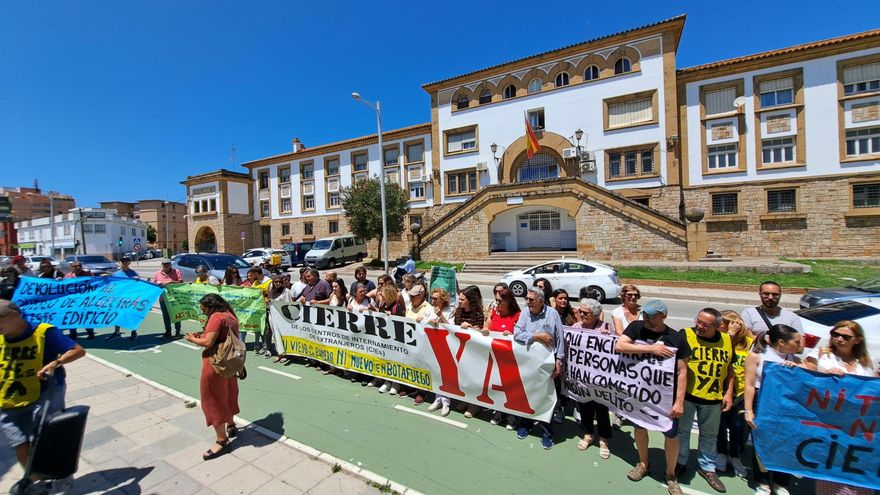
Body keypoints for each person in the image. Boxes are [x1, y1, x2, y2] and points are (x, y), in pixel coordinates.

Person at [0, 300, 86, 475]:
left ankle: (58, 475)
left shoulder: (44, 332)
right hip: (8, 399)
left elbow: (78, 350)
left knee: (45, 440)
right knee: (20, 445)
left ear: (14, 315)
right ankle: (33, 481)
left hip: (45, 394)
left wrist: (57, 362)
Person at [615, 299, 689, 495]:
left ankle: (671, 474)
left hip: (665, 398)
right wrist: (651, 349)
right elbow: (620, 346)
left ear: (663, 316)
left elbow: (683, 372)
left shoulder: (676, 338)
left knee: (671, 436)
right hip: (639, 395)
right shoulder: (636, 327)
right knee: (639, 429)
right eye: (645, 315)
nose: (646, 319)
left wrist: (679, 401)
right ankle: (643, 463)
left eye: (651, 316)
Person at [804, 320, 875, 495]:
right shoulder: (821, 354)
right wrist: (823, 376)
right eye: (835, 334)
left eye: (845, 336)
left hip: (856, 429)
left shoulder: (866, 363)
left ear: (857, 340)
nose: (839, 339)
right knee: (829, 469)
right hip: (828, 426)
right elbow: (803, 377)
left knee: (856, 472)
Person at [675, 308, 734, 493]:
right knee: (682, 432)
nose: (699, 326)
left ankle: (707, 467)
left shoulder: (726, 340)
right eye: (698, 321)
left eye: (705, 324)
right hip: (688, 395)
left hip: (713, 397)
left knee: (709, 435)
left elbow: (730, 370)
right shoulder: (686, 334)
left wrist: (728, 393)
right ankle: (680, 461)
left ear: (717, 326)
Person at [744, 324, 803, 495]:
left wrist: (797, 368)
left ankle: (780, 481)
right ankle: (762, 482)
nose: (800, 345)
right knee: (761, 442)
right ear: (782, 342)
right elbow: (749, 384)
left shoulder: (793, 357)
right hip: (761, 400)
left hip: (784, 405)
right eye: (796, 342)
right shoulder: (757, 356)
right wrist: (749, 410)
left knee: (784, 441)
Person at [183, 294, 241, 461]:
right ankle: (230, 424)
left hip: (215, 364)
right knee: (229, 393)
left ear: (211, 307)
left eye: (204, 310)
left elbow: (208, 342)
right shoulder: (231, 316)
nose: (204, 314)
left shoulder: (216, 317)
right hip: (230, 363)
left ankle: (222, 440)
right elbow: (224, 338)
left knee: (212, 399)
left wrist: (192, 338)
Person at [512, 288, 562, 450]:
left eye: (531, 300)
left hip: (547, 363)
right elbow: (517, 333)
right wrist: (536, 337)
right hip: (529, 362)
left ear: (541, 300)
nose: (527, 302)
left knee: (546, 398)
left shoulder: (552, 314)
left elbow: (560, 339)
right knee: (528, 394)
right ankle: (525, 424)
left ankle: (547, 433)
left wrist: (559, 362)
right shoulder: (526, 313)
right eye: (527, 299)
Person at [567, 298, 614, 459]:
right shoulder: (575, 327)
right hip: (581, 379)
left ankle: (604, 439)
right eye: (580, 311)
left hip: (600, 382)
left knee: (601, 410)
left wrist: (609, 337)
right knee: (584, 408)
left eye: (585, 312)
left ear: (595, 314)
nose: (581, 314)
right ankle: (588, 434)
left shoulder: (606, 328)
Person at [715, 311, 751, 478]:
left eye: (721, 325)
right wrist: (728, 336)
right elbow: (721, 355)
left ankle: (735, 456)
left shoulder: (750, 344)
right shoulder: (720, 340)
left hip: (742, 393)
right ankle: (721, 452)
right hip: (720, 391)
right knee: (720, 425)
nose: (717, 328)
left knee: (738, 427)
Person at [485, 286, 520, 429]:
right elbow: (487, 328)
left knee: (510, 387)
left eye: (500, 301)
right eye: (496, 301)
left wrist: (511, 334)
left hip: (510, 359)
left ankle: (511, 415)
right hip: (494, 355)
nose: (497, 304)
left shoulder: (517, 315)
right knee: (495, 385)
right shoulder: (494, 313)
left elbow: (519, 335)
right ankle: (498, 411)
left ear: (509, 302)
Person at [452, 286, 485, 417]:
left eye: (462, 299)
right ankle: (466, 400)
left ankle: (474, 405)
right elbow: (453, 328)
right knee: (463, 376)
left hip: (474, 353)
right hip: (461, 349)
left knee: (473, 377)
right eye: (459, 299)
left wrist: (470, 328)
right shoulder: (458, 312)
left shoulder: (478, 314)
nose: (459, 302)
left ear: (470, 300)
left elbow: (481, 333)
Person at [107, 257, 141, 340]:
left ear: (129, 263)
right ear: (120, 263)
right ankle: (117, 332)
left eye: (126, 261)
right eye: (123, 262)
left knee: (131, 315)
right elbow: (113, 285)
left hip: (131, 298)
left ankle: (134, 332)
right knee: (118, 314)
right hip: (120, 298)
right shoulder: (116, 274)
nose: (124, 263)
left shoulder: (134, 273)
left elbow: (139, 286)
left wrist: (137, 280)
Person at [63, 261, 95, 340]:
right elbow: (62, 287)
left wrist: (104, 276)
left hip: (85, 301)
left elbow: (96, 282)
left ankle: (90, 332)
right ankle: (73, 333)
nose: (78, 267)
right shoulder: (67, 277)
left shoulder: (88, 275)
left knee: (86, 316)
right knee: (71, 317)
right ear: (72, 267)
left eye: (79, 266)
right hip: (72, 301)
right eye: (75, 266)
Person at [154, 259, 183, 339]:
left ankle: (178, 331)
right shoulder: (157, 274)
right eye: (164, 264)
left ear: (170, 264)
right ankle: (168, 331)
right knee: (166, 316)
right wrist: (157, 285)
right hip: (163, 298)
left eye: (167, 264)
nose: (165, 266)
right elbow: (154, 285)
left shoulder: (176, 272)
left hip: (174, 298)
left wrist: (170, 282)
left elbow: (181, 282)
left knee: (176, 314)